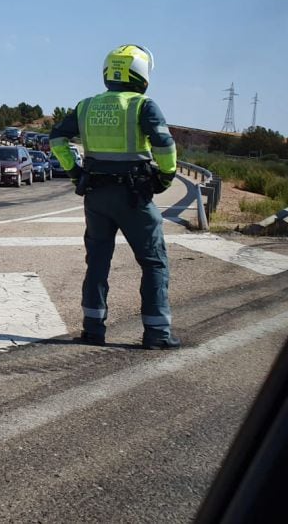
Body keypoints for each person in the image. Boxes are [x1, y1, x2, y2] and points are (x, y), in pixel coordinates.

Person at [50, 44, 180, 350]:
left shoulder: (86, 106)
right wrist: (165, 176)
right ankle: (157, 333)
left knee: (97, 261)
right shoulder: (143, 105)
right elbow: (163, 144)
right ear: (142, 73)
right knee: (153, 262)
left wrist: (74, 171)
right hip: (134, 195)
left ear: (109, 71)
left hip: (95, 194)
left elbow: (56, 137)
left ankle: (93, 330)